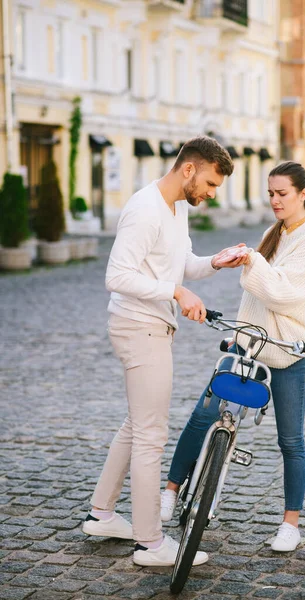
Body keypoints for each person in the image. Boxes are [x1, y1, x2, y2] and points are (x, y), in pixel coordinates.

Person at [82, 136, 249, 567]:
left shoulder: (175, 209)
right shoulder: (144, 208)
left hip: (151, 325)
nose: (211, 194)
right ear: (189, 169)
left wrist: (215, 261)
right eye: (211, 184)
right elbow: (117, 275)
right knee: (151, 436)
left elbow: (182, 262)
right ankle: (150, 543)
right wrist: (174, 291)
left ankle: (101, 514)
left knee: (137, 424)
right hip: (140, 328)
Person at [161, 160, 305, 552]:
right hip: (248, 345)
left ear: (303, 194)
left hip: (291, 353)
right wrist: (247, 259)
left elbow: (286, 293)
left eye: (282, 193)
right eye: (271, 193)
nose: (274, 200)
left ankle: (291, 524)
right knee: (205, 414)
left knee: (291, 441)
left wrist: (252, 261)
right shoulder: (275, 232)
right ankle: (170, 491)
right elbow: (257, 293)